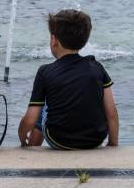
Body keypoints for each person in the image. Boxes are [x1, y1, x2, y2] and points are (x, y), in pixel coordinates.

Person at [18, 9, 119, 149]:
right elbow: (111, 112)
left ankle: (31, 146)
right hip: (95, 140)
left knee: (41, 107)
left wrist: (21, 136)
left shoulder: (45, 71)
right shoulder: (97, 67)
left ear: (54, 40)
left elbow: (30, 120)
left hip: (58, 140)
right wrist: (112, 143)